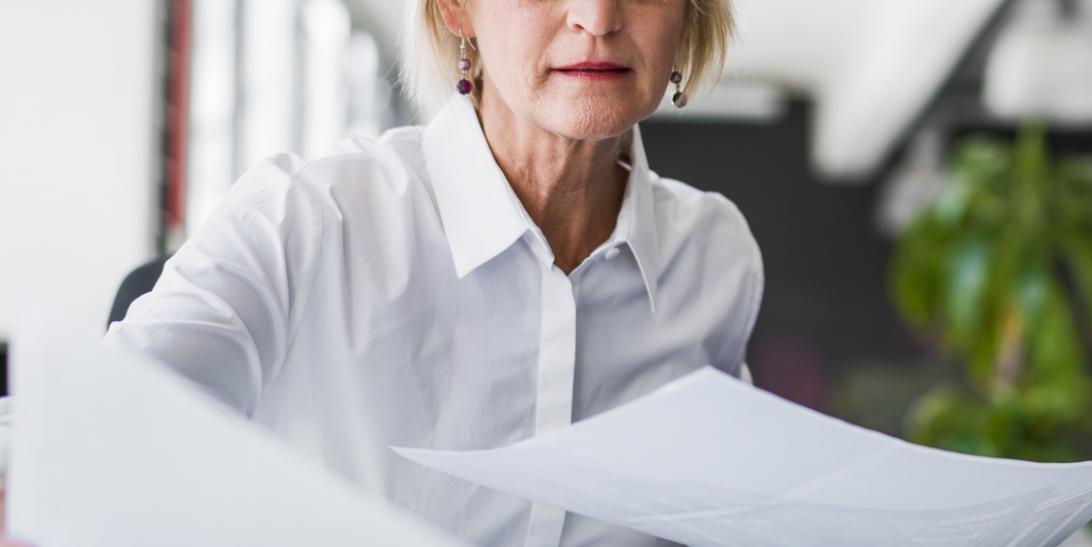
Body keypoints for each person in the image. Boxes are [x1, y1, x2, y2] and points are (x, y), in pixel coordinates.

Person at [5, 1, 758, 546]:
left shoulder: (715, 259)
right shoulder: (304, 223)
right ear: (457, 8)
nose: (596, 14)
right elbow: (80, 451)